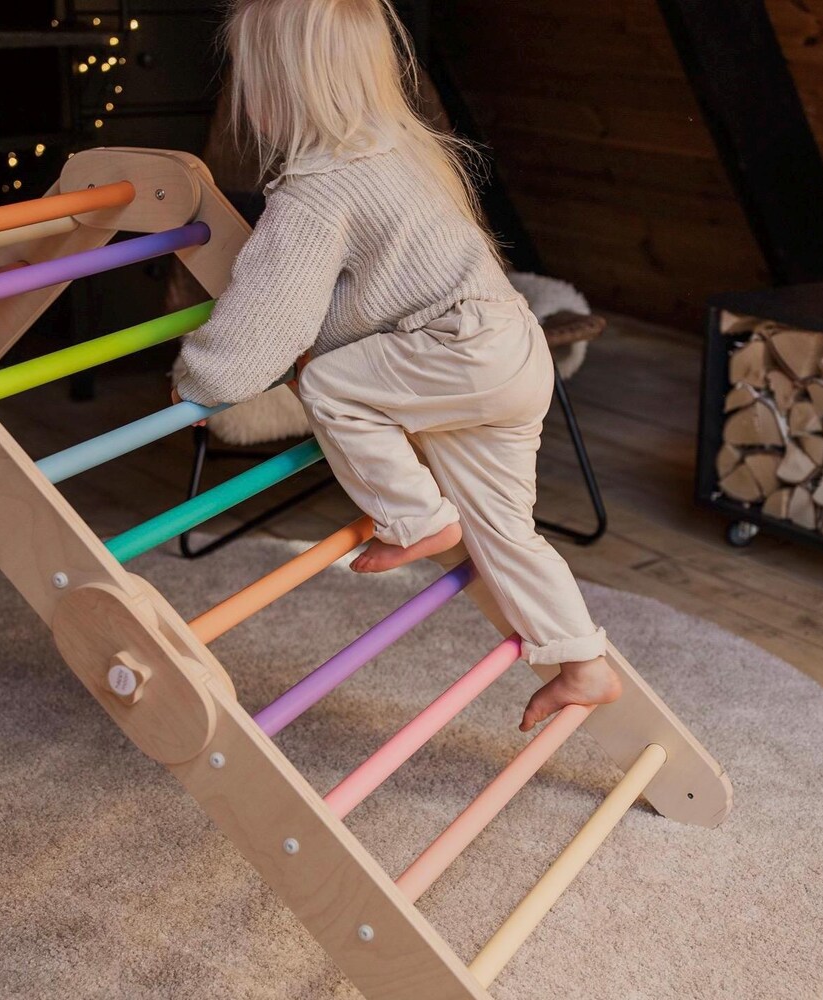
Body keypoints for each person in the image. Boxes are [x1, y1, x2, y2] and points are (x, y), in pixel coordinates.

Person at [172, 0, 622, 731]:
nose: (244, 102)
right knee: (506, 530)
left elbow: (268, 321)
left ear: (282, 91)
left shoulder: (316, 193)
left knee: (327, 386)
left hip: (460, 354)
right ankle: (583, 664)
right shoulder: (411, 153)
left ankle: (412, 518)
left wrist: (199, 382)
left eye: (248, 83)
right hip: (513, 349)